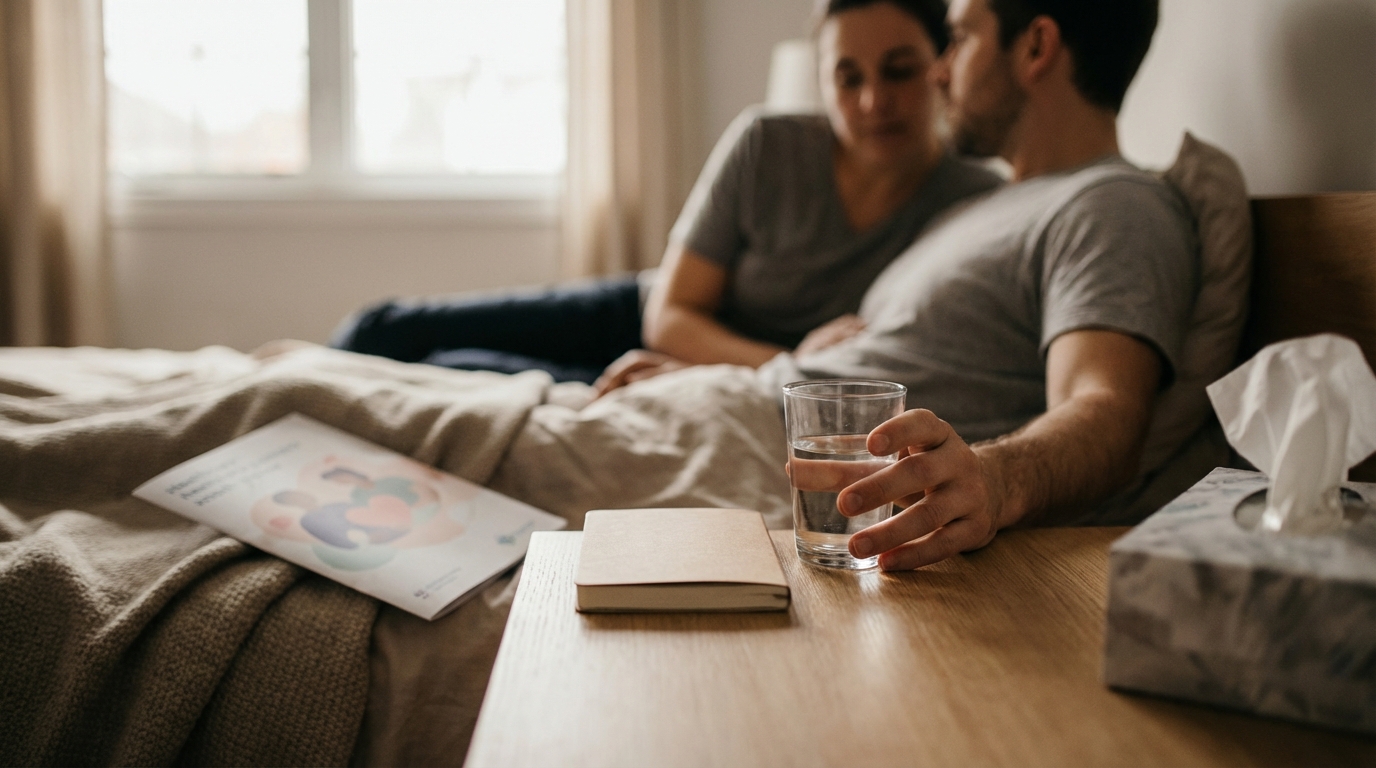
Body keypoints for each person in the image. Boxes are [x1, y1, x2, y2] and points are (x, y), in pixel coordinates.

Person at [627, 0, 1200, 570]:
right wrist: (720, 376)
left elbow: (1105, 410)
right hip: (726, 411)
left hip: (774, 465)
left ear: (1035, 48)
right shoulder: (981, 205)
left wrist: (993, 480)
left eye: (958, 41)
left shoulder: (1110, 205)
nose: (940, 70)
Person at [330, 0, 1002, 385]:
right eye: (846, 77)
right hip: (647, 314)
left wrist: (737, 378)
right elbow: (671, 314)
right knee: (384, 332)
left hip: (705, 381)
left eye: (899, 71)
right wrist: (788, 363)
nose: (873, 100)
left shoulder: (974, 202)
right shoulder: (767, 143)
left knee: (454, 372)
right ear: (822, 82)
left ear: (942, 68)